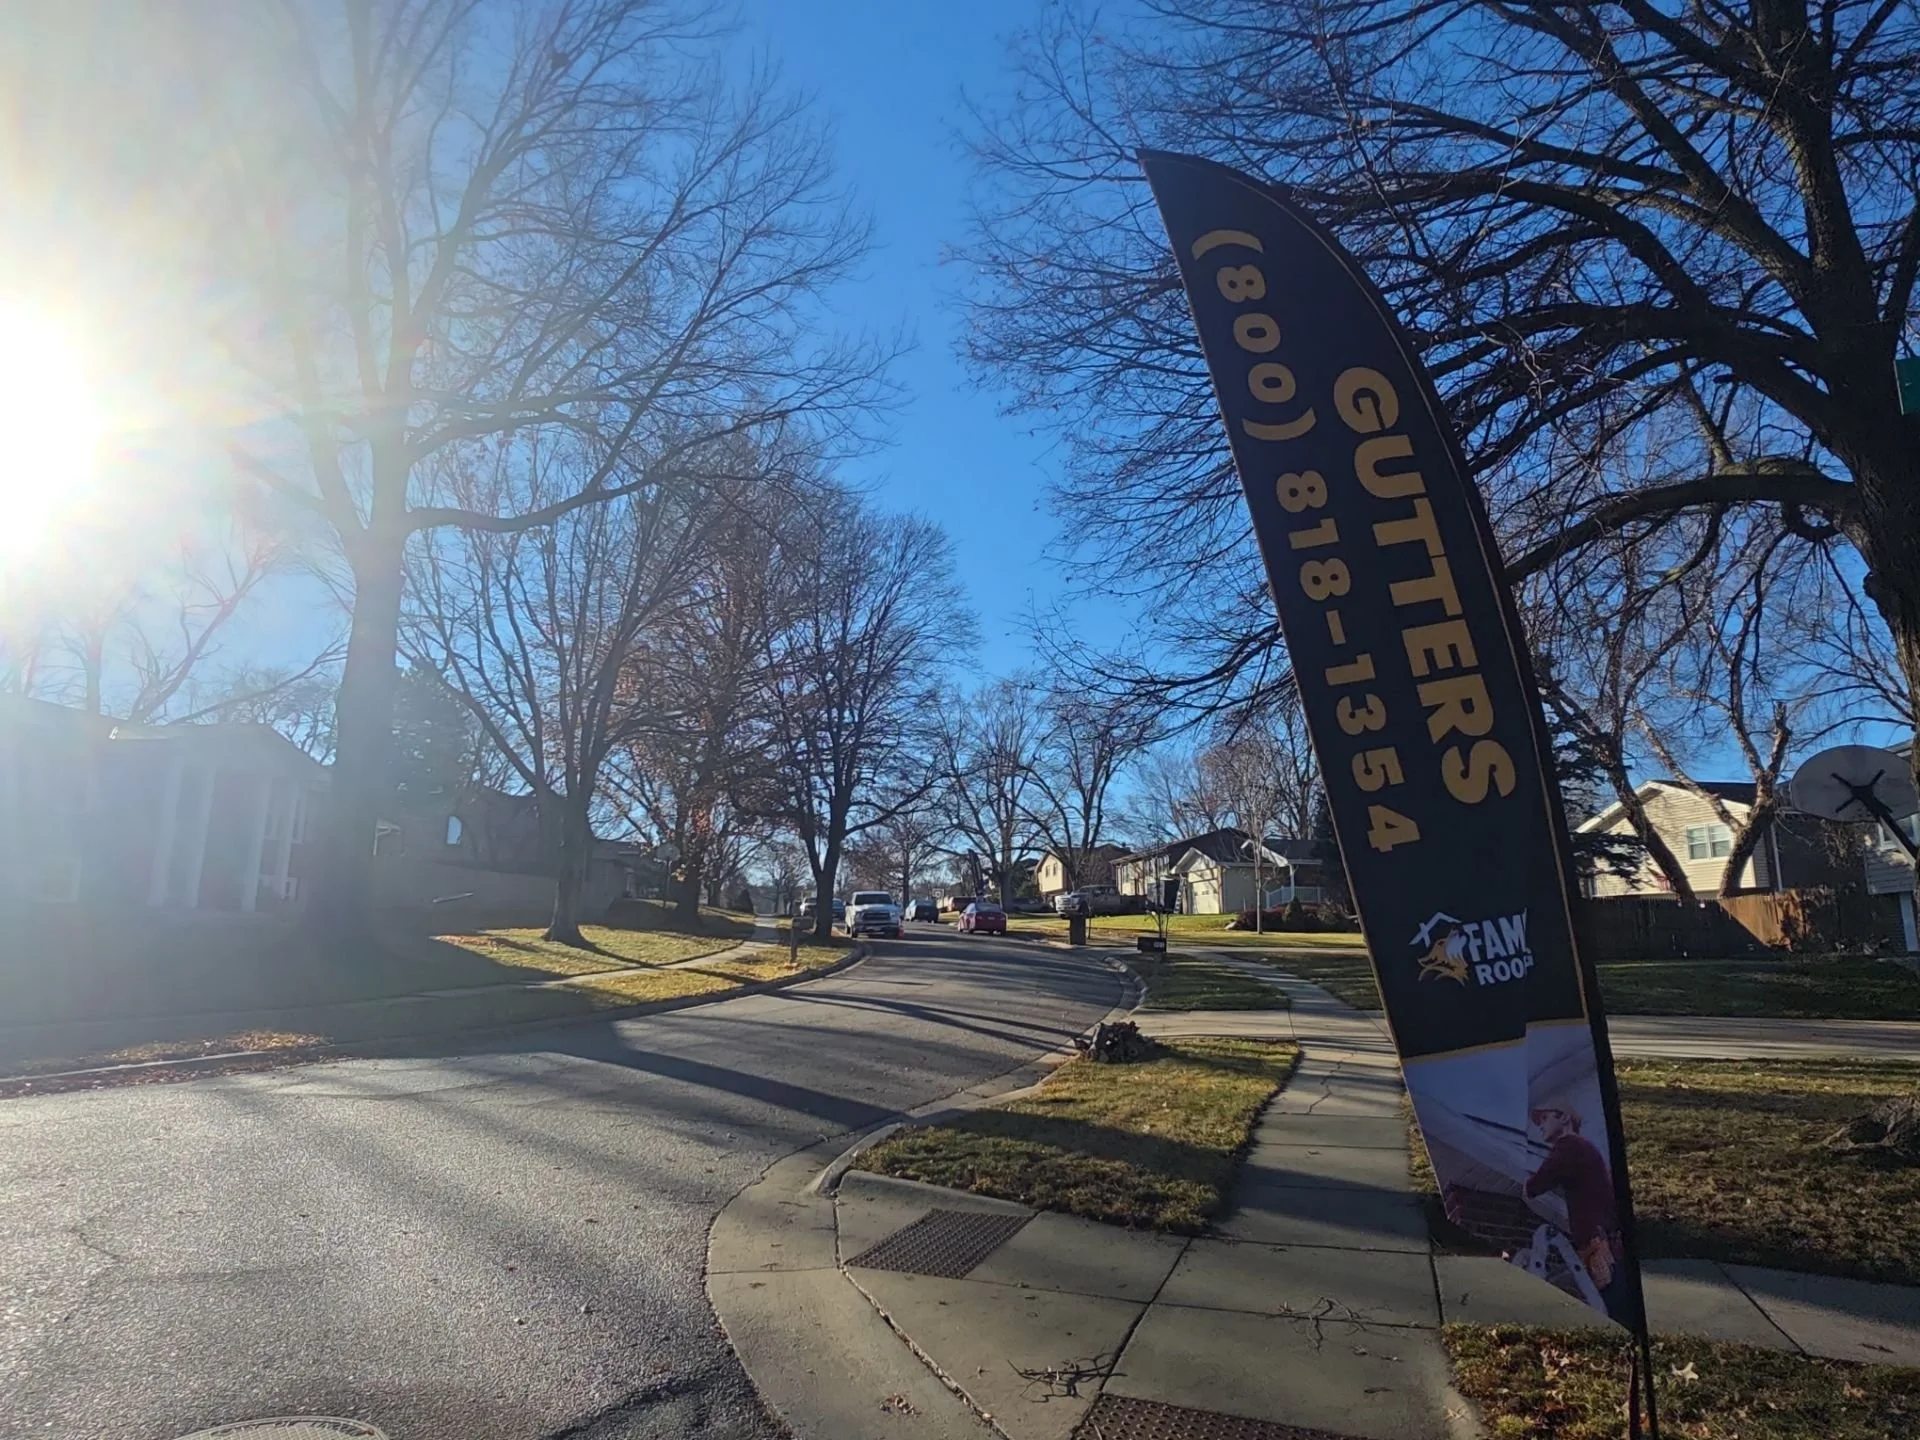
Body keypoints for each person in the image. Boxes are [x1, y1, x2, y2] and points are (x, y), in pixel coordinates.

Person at [1523, 1104, 1628, 1319]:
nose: (1540, 1126)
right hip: (1606, 1238)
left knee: (1612, 1309)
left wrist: (1526, 1187)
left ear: (1563, 1119)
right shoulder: (1584, 1149)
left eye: (1544, 1118)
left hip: (1598, 1243)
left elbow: (1536, 1185)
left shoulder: (1569, 1146)